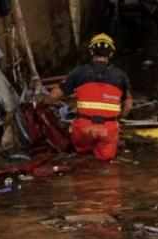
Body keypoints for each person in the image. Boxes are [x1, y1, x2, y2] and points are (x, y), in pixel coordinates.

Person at [48, 33, 132, 161]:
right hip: (108, 128)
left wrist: (42, 106)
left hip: (84, 127)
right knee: (105, 162)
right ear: (111, 54)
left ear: (91, 51)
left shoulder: (79, 72)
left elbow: (55, 94)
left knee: (81, 157)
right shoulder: (121, 76)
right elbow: (128, 105)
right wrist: (117, 119)